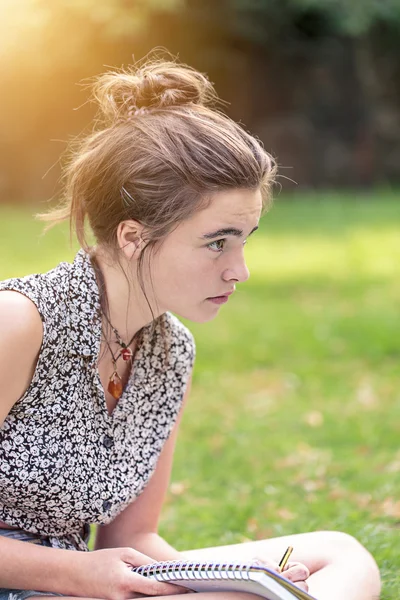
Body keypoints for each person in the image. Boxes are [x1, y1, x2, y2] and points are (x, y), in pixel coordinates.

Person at [0, 55, 380, 600]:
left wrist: (229, 583)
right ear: (133, 237)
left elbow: (133, 536)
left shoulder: (169, 349)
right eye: (216, 242)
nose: (239, 270)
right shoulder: (19, 321)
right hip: (46, 585)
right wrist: (74, 574)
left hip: (85, 585)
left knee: (340, 555)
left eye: (245, 239)